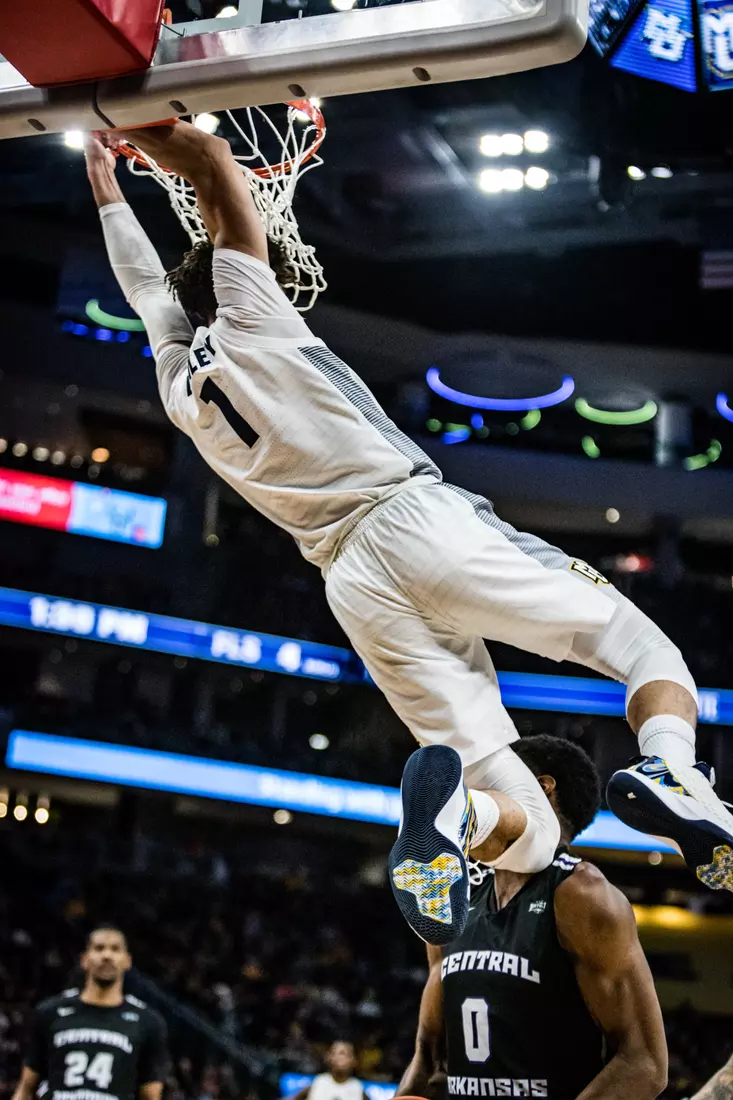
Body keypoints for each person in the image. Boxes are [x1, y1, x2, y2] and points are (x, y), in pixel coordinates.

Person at [83, 121, 733, 943]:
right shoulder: (256, 317)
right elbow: (215, 169)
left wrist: (109, 187)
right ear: (247, 280)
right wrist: (132, 126)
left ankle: (456, 821)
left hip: (350, 582)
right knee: (646, 653)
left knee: (528, 837)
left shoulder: (181, 386)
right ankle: (676, 770)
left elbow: (147, 290)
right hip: (411, 520)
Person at [397, 735, 668, 1100]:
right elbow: (429, 1059)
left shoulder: (581, 895)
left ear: (540, 789)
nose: (475, 793)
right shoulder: (450, 897)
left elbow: (645, 1065)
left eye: (491, 783)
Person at [12, 926, 168, 1100]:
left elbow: (151, 1096)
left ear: (127, 961)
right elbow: (26, 1088)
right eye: (99, 948)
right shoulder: (50, 1012)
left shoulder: (148, 1022)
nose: (107, 956)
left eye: (115, 949)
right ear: (84, 959)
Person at [291, 1041, 366, 1100]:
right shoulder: (319, 1082)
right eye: (335, 1053)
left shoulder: (357, 1088)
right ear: (329, 1058)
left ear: (354, 1061)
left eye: (344, 1053)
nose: (340, 1057)